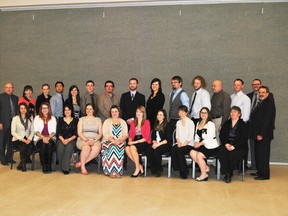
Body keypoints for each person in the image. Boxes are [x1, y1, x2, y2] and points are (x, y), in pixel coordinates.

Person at [250, 86, 276, 180]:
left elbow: (267, 121)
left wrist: (261, 134)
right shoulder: (261, 102)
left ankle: (265, 175)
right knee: (259, 154)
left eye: (263, 92)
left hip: (263, 135)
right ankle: (260, 171)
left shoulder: (269, 104)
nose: (261, 94)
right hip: (258, 134)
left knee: (263, 155)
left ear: (267, 93)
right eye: (260, 92)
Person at [218, 106, 248, 183]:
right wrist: (226, 144)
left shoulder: (243, 124)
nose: (232, 113)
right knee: (222, 151)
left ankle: (228, 173)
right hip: (227, 144)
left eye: (235, 112)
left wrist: (234, 146)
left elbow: (244, 139)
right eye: (231, 112)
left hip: (239, 146)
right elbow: (221, 135)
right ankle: (227, 173)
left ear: (239, 114)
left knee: (232, 155)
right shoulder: (226, 123)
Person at [190, 107, 219, 182]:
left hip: (211, 146)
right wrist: (196, 142)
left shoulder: (211, 124)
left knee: (199, 155)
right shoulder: (198, 123)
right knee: (192, 153)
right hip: (202, 145)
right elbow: (196, 135)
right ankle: (205, 167)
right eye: (202, 112)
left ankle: (204, 174)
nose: (203, 114)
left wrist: (199, 144)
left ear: (208, 114)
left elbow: (209, 138)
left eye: (205, 112)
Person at [101, 105, 128, 178]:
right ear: (110, 113)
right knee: (113, 147)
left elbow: (125, 134)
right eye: (112, 112)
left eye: (116, 111)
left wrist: (120, 140)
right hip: (107, 142)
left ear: (119, 112)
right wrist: (113, 140)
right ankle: (111, 171)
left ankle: (117, 171)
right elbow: (105, 134)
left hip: (120, 142)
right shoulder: (107, 121)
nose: (114, 113)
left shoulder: (123, 122)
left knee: (117, 148)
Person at [75, 103, 102, 175]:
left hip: (95, 139)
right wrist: (87, 140)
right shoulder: (81, 119)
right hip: (82, 139)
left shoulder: (98, 120)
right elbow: (79, 133)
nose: (89, 110)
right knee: (86, 147)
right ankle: (83, 167)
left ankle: (81, 163)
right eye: (87, 109)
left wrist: (93, 140)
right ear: (85, 110)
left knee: (96, 148)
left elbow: (100, 133)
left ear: (93, 110)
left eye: (90, 109)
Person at [126, 106, 151, 177]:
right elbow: (131, 135)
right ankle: (140, 166)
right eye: (137, 111)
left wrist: (133, 143)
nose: (138, 113)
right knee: (127, 148)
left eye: (140, 112)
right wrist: (130, 141)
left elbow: (146, 137)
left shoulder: (147, 122)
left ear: (143, 113)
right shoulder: (133, 122)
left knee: (132, 148)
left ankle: (137, 169)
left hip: (144, 141)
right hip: (135, 140)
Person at [170, 105, 194, 179]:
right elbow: (177, 135)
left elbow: (190, 136)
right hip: (180, 143)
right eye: (179, 112)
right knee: (173, 149)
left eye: (182, 112)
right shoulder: (178, 122)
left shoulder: (190, 122)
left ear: (186, 113)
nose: (180, 113)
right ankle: (178, 168)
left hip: (189, 144)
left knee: (180, 151)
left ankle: (184, 171)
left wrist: (183, 144)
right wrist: (179, 142)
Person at [33, 102, 57, 174]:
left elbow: (53, 131)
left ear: (49, 109)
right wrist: (43, 138)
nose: (44, 110)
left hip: (51, 138)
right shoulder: (37, 118)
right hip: (39, 138)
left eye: (46, 108)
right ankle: (44, 166)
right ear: (41, 109)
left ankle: (49, 165)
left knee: (49, 144)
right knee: (43, 144)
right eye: (43, 108)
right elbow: (36, 131)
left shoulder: (53, 118)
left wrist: (48, 138)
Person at [167, 76, 190, 148]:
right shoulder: (171, 93)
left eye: (175, 82)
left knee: (178, 139)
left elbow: (186, 107)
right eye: (172, 82)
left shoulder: (183, 94)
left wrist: (183, 121)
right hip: (172, 119)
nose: (173, 84)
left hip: (179, 120)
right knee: (171, 138)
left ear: (180, 83)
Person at [146, 109, 170, 177]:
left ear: (164, 116)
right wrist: (154, 142)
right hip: (156, 143)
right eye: (158, 115)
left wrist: (158, 144)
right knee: (148, 150)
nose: (159, 116)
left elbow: (168, 139)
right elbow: (153, 137)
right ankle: (153, 168)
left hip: (164, 144)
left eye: (161, 115)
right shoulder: (155, 125)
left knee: (157, 151)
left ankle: (159, 169)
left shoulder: (167, 125)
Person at [11, 103, 34, 172]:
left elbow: (32, 130)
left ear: (27, 109)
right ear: (19, 109)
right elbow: (13, 132)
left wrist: (30, 138)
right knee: (23, 145)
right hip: (17, 139)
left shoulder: (30, 117)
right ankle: (24, 165)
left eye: (24, 108)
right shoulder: (15, 118)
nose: (23, 110)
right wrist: (21, 139)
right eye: (21, 108)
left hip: (27, 138)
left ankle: (21, 163)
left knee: (31, 147)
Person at [56, 104, 78, 175]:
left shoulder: (76, 120)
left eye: (68, 110)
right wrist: (63, 140)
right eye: (65, 110)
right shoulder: (60, 119)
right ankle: (65, 166)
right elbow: (58, 132)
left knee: (69, 148)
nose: (67, 111)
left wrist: (68, 140)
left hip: (72, 139)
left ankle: (64, 168)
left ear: (71, 111)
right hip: (61, 139)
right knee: (60, 147)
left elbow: (76, 133)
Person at [0, 82, 18, 165]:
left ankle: (9, 158)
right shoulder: (0, 97)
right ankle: (2, 159)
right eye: (7, 87)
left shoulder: (16, 98)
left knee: (11, 141)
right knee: (2, 141)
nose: (9, 89)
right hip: (3, 123)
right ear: (4, 88)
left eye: (10, 87)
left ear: (13, 88)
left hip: (13, 123)